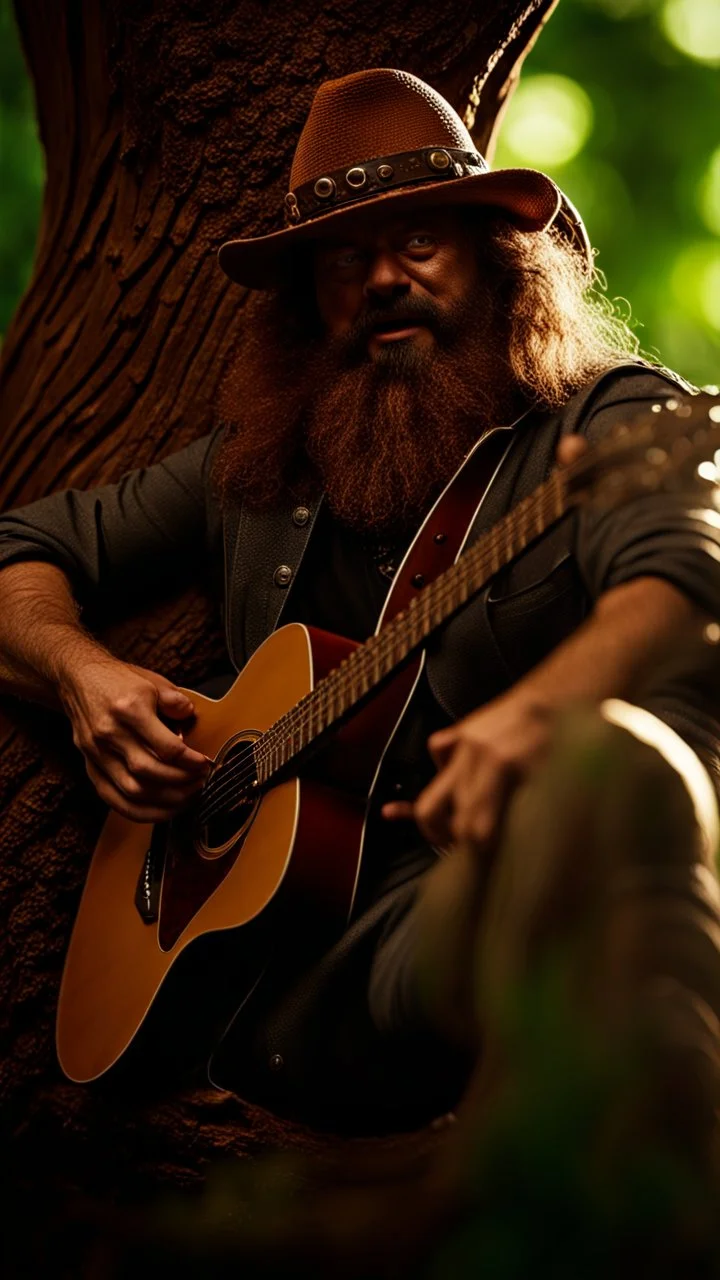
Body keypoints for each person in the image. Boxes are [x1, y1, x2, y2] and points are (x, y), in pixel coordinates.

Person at [0, 68, 719, 1138]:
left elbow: (691, 567)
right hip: (279, 999)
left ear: (496, 256)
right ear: (309, 299)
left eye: (419, 241)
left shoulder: (603, 424)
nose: (383, 277)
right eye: (345, 258)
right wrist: (81, 675)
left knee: (616, 769)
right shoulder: (257, 471)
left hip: (487, 916)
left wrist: (549, 709)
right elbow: (23, 547)